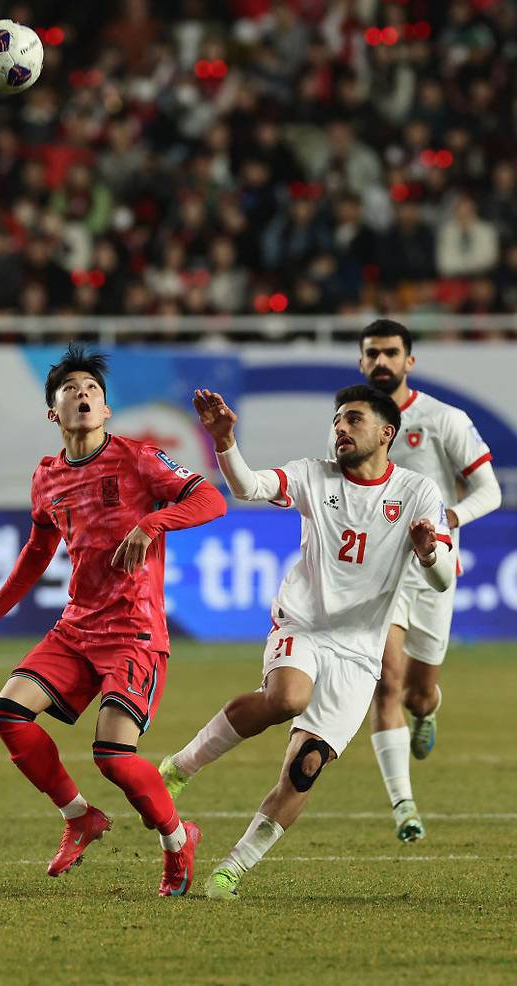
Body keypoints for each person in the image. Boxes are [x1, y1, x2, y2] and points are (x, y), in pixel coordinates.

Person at [159, 383, 454, 899]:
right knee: (287, 697)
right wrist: (225, 443)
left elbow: (444, 579)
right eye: (337, 419)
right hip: (303, 626)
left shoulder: (417, 492)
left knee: (304, 769)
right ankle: (181, 766)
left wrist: (429, 553)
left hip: (360, 653)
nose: (341, 427)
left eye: (354, 419)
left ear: (386, 433)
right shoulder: (312, 476)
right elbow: (248, 487)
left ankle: (232, 869)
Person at [0, 345, 226, 897]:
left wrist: (153, 522)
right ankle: (79, 816)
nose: (82, 394)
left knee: (112, 756)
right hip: (77, 627)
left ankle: (179, 841)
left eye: (92, 390)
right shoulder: (47, 478)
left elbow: (210, 500)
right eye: (70, 389)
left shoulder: (137, 458)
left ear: (106, 410)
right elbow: (37, 553)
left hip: (134, 630)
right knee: (8, 713)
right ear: (53, 412)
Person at [354, 319, 501, 842]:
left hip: (433, 572)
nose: (381, 363)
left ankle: (429, 707)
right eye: (372, 354)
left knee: (417, 693)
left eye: (390, 353)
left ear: (409, 361)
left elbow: (490, 492)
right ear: (361, 361)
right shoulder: (353, 421)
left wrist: (451, 520)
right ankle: (404, 805)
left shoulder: (443, 419)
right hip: (379, 579)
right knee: (385, 684)